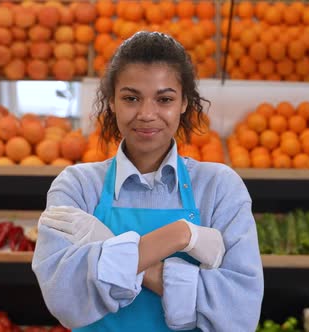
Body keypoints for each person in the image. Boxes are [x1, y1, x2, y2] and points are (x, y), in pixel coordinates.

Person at [32, 31, 263, 332]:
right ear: (112, 102)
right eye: (131, 98)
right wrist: (180, 235)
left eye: (164, 99)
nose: (146, 114)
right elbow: (64, 300)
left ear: (183, 103)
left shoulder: (219, 188)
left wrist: (111, 255)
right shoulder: (77, 186)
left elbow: (239, 314)